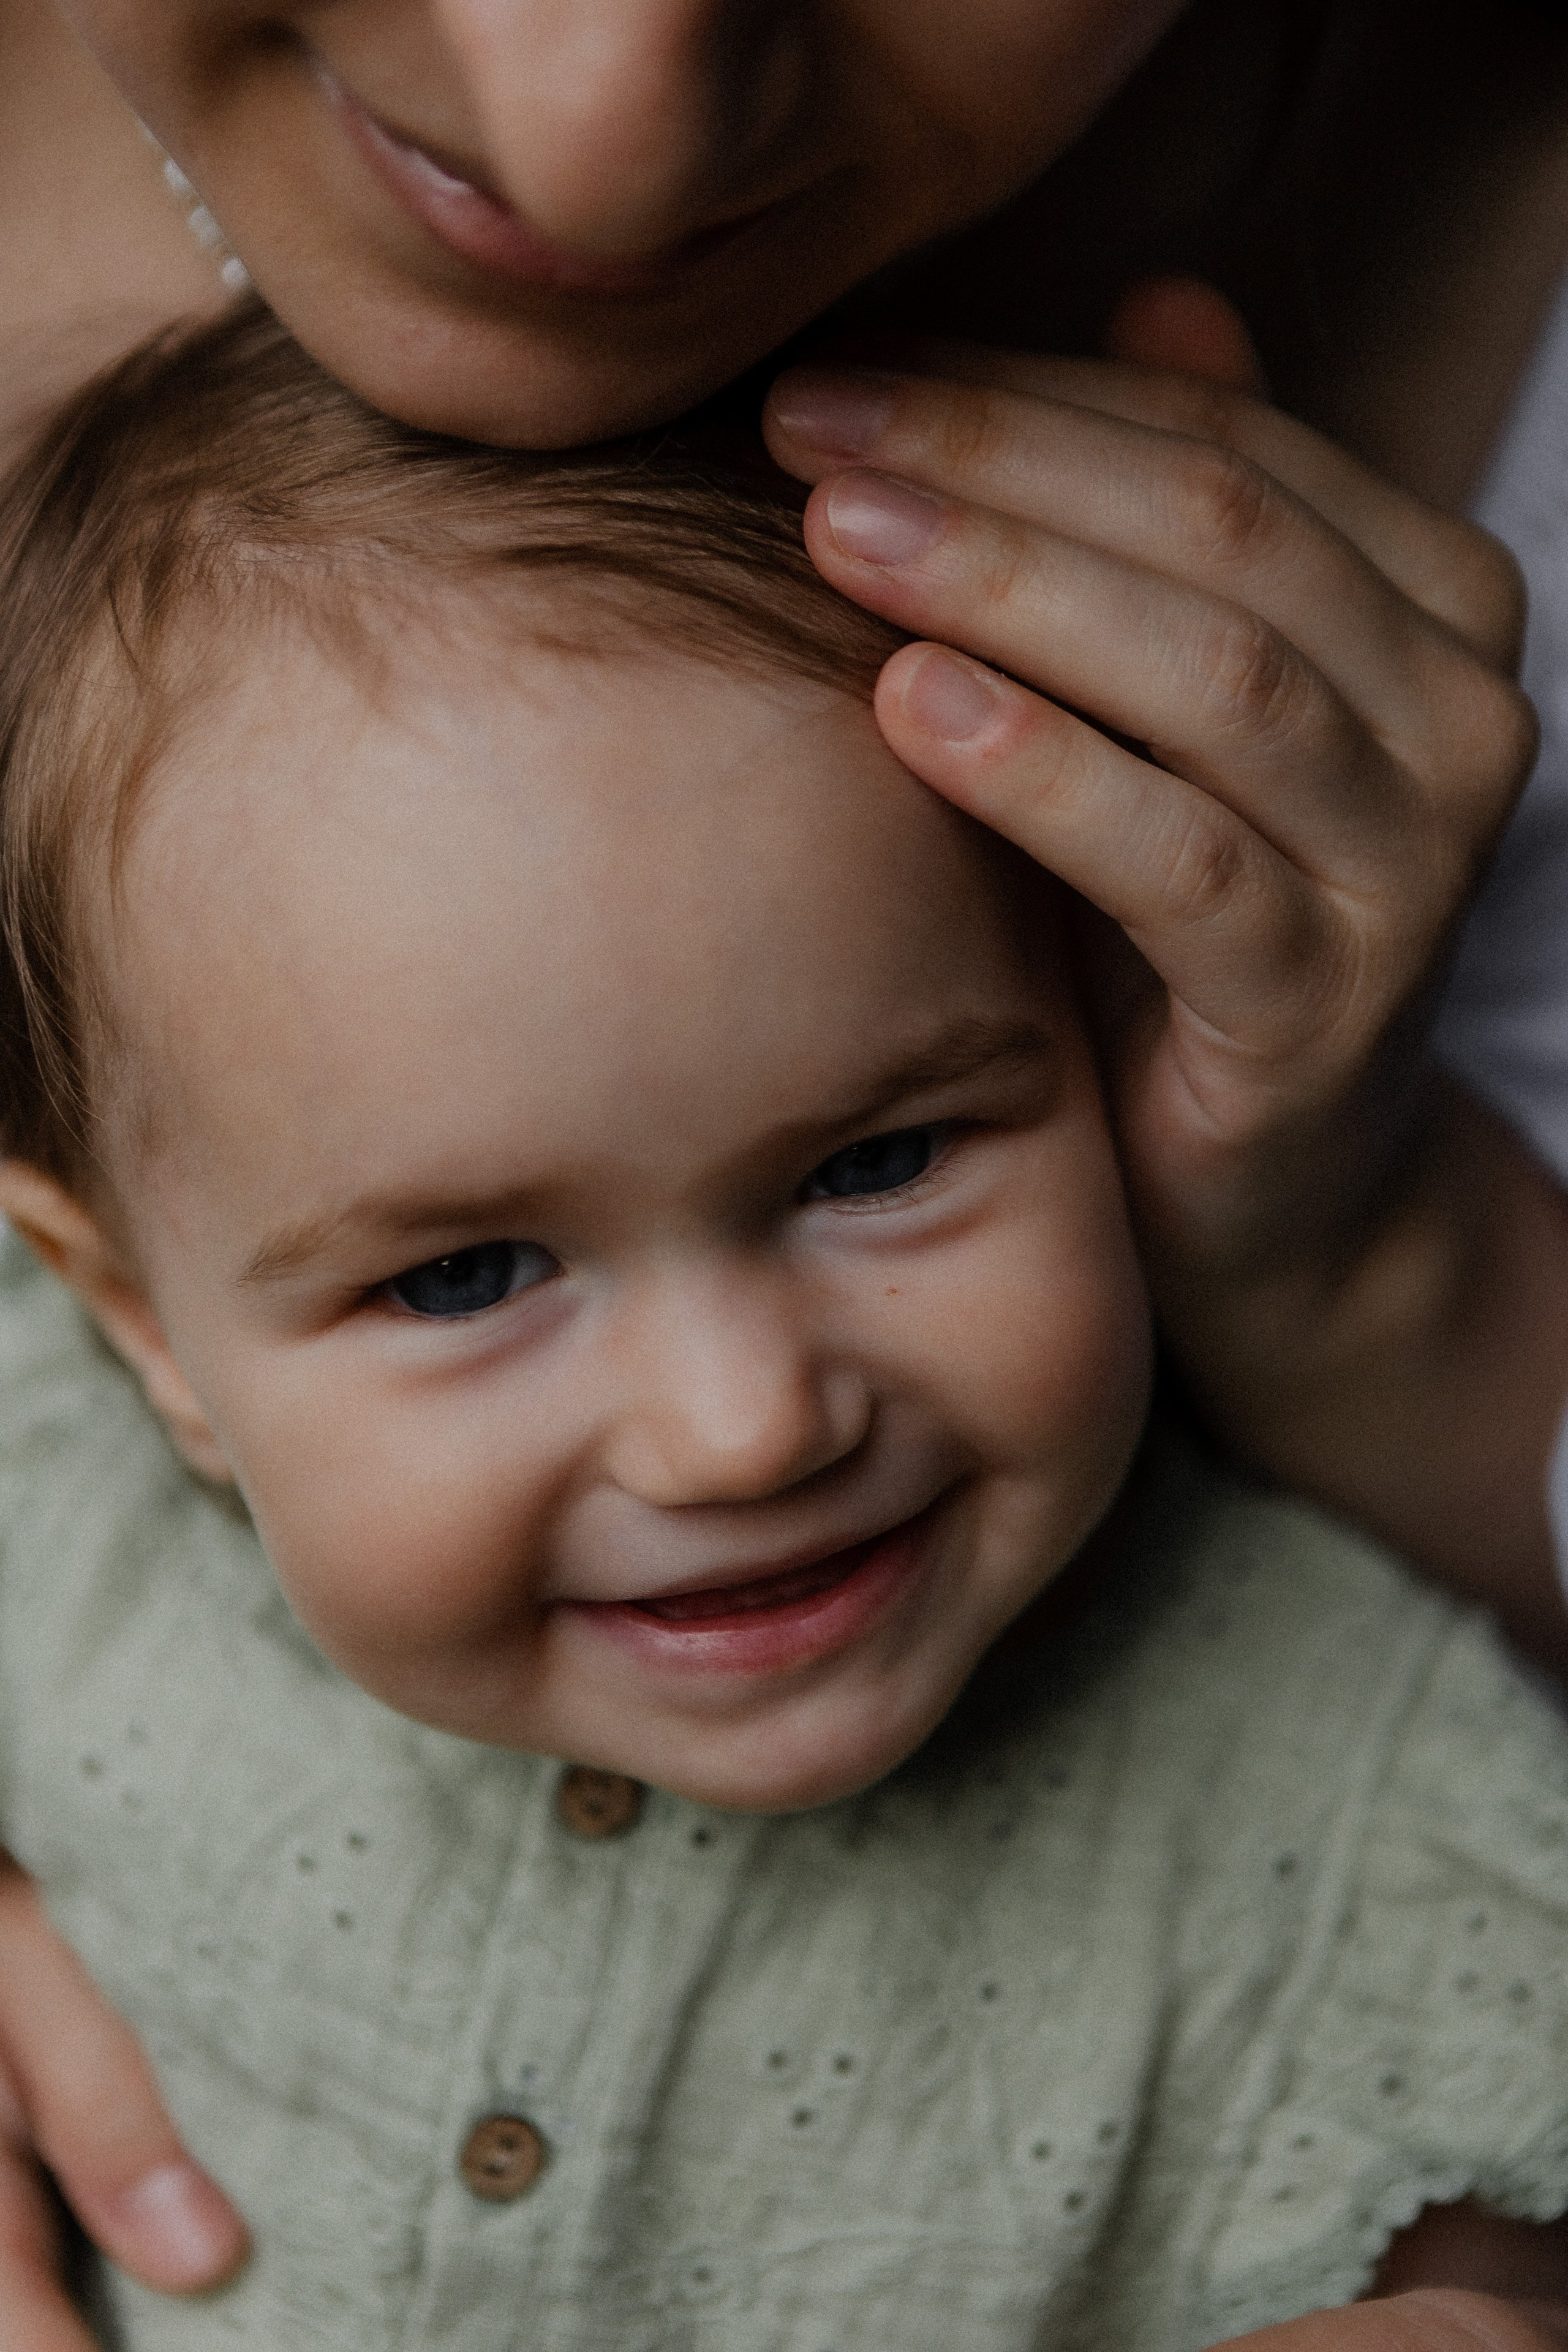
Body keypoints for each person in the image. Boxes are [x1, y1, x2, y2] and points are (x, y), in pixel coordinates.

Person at [1, 1, 1566, 2339]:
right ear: (142, 1330)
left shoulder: (1341, 1785)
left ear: (1124, 1019)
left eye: (885, 1159)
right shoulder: (58, 1499)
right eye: (460, 1276)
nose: (747, 1427)